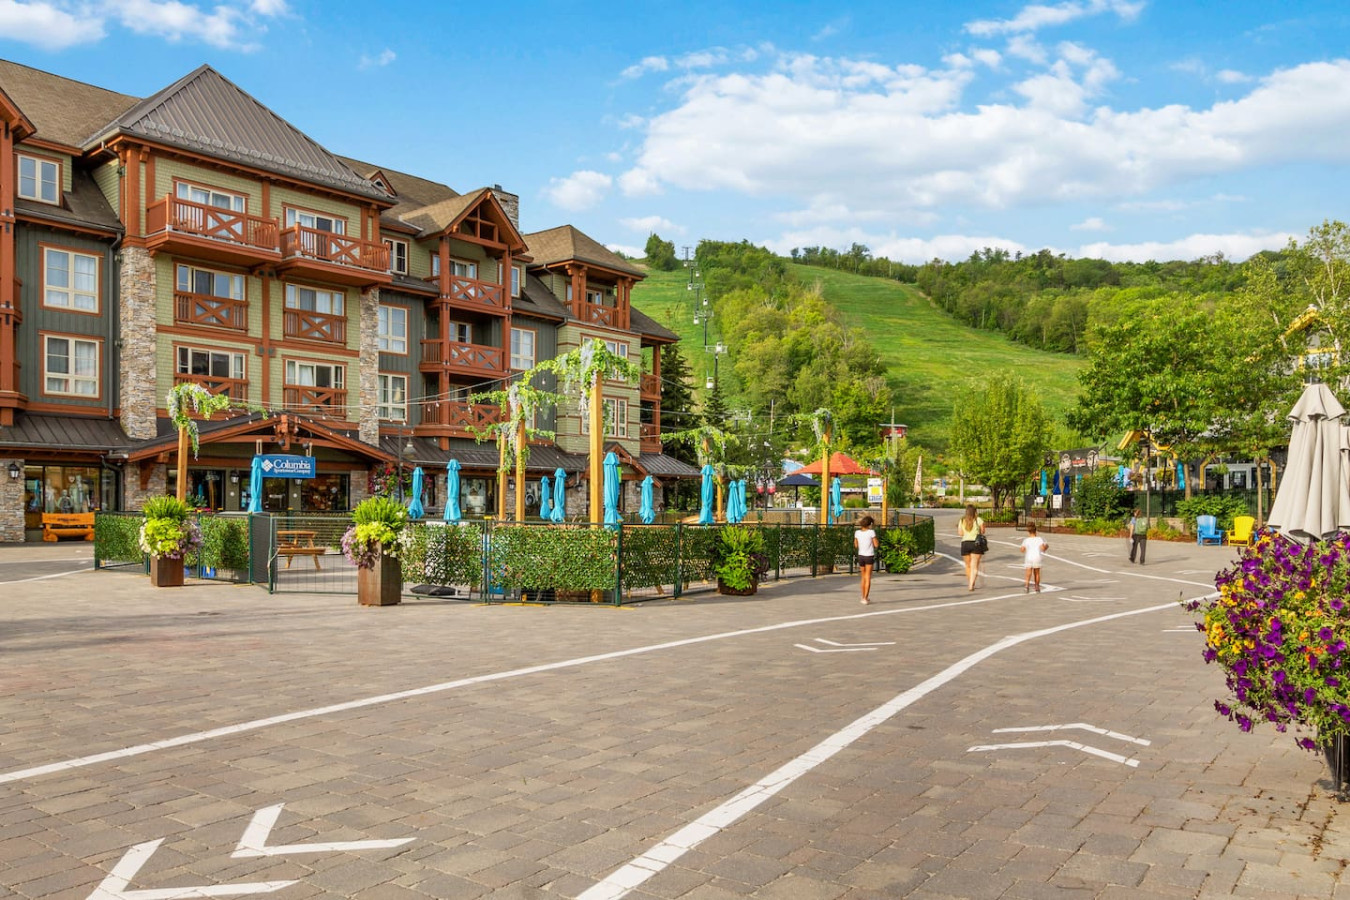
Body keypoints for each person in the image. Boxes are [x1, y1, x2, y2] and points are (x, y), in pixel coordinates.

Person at [957, 503, 986, 591]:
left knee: (968, 565)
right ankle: (971, 585)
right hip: (976, 543)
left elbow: (960, 533)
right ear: (975, 511)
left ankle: (970, 581)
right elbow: (983, 531)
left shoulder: (962, 520)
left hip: (965, 543)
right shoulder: (978, 520)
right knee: (975, 566)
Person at [854, 515, 878, 605]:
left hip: (861, 556)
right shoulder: (871, 532)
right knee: (868, 577)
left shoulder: (857, 532)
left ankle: (862, 596)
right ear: (870, 524)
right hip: (869, 556)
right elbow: (876, 545)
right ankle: (865, 598)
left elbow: (856, 545)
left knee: (863, 577)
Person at [1021, 522, 1048, 593]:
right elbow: (1043, 548)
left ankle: (1026, 586)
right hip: (1037, 557)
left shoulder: (1026, 540)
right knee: (1037, 573)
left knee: (1028, 573)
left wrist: (1026, 548)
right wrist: (1046, 547)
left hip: (1029, 557)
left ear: (1028, 531)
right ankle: (1037, 586)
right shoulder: (1040, 539)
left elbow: (1022, 550)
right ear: (1035, 531)